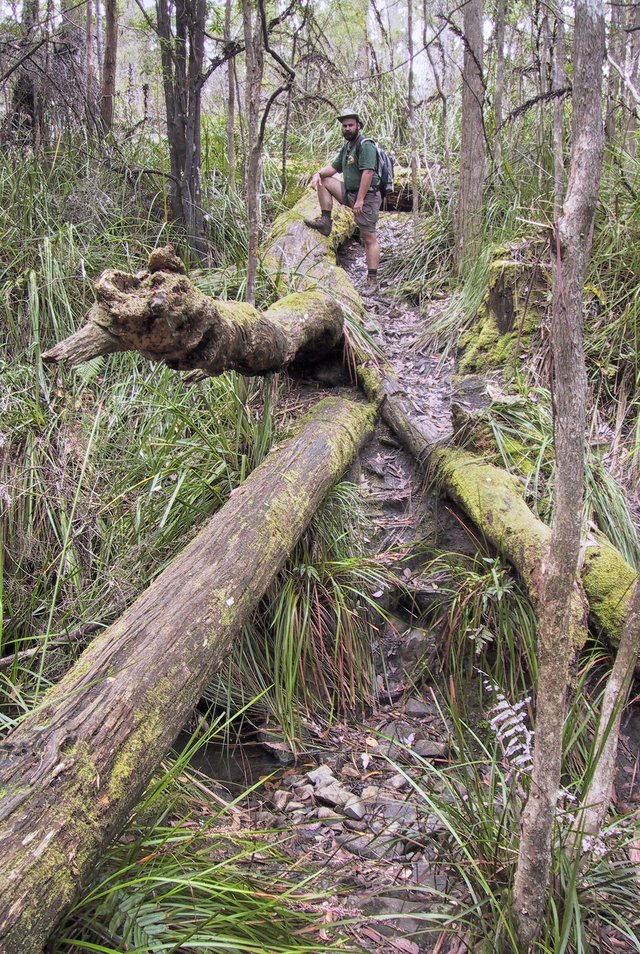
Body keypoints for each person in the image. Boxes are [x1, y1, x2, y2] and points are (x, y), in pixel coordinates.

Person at [304, 109, 382, 292]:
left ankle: (373, 280)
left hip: (367, 196)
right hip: (350, 193)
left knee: (368, 237)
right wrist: (317, 173)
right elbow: (333, 168)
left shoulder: (366, 145)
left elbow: (368, 172)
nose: (347, 128)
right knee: (323, 180)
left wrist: (360, 200)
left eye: (350, 125)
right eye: (344, 126)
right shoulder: (347, 147)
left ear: (358, 126)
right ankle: (325, 221)